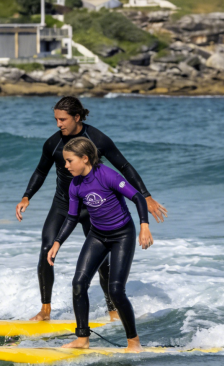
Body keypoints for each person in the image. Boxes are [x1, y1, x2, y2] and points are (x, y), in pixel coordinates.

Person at [15, 97, 166, 322]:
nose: (58, 124)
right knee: (47, 247)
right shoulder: (53, 143)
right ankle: (45, 309)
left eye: (63, 119)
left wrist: (146, 195)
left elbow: (124, 166)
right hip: (63, 204)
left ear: (77, 117)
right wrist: (27, 196)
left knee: (101, 258)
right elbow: (40, 171)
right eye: (56, 119)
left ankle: (112, 308)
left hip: (93, 207)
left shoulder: (97, 139)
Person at [46, 138, 152, 352]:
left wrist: (144, 226)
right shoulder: (75, 184)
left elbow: (138, 198)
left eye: (69, 160)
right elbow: (72, 217)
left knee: (116, 290)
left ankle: (133, 341)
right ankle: (82, 339)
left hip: (122, 235)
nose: (66, 165)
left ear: (84, 158)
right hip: (97, 235)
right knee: (78, 284)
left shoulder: (107, 175)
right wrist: (57, 242)